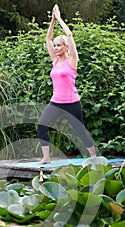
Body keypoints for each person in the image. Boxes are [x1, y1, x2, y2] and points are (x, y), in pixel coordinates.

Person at [38, 4, 96, 164]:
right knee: (42, 125)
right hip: (56, 102)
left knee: (80, 131)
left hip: (72, 103)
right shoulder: (55, 61)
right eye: (55, 46)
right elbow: (47, 39)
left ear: (65, 47)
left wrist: (60, 19)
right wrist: (52, 21)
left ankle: (93, 158)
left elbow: (69, 35)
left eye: (59, 46)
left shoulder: (72, 60)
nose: (55, 48)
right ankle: (46, 158)